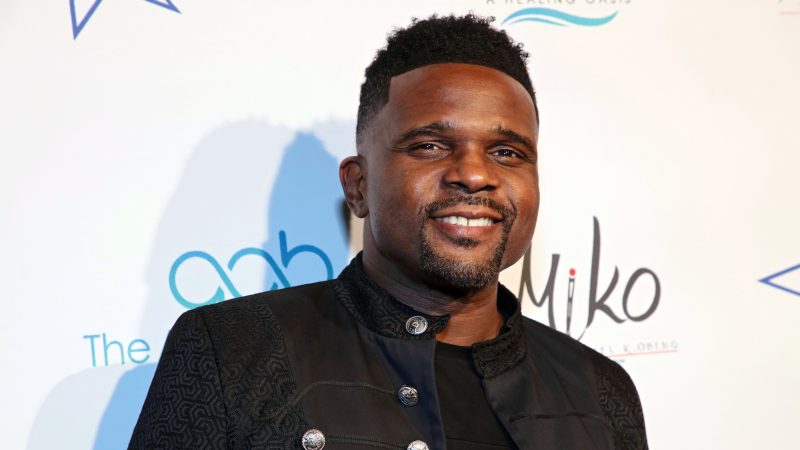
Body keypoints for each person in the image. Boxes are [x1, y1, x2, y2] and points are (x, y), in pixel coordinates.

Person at [129, 14, 648, 450]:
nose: (474, 174)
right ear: (357, 186)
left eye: (507, 153)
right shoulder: (232, 351)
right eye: (430, 146)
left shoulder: (602, 392)